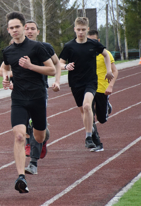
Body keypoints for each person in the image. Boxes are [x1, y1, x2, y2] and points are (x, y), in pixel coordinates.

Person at [1, 12, 56, 193]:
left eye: (18, 26)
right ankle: (21, 177)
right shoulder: (8, 51)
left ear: (24, 27)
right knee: (18, 136)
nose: (15, 30)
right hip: (18, 98)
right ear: (8, 30)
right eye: (11, 28)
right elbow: (6, 68)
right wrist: (6, 78)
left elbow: (51, 69)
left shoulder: (37, 47)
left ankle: (43, 134)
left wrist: (31, 66)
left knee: (39, 137)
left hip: (38, 97)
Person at [59, 17, 114, 149]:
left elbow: (106, 54)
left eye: (83, 30)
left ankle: (88, 136)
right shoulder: (69, 46)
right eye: (78, 30)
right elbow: (59, 63)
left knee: (87, 106)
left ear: (87, 29)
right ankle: (92, 133)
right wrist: (66, 67)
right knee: (84, 112)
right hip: (75, 83)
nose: (81, 32)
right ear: (74, 29)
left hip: (90, 81)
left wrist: (108, 71)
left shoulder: (93, 44)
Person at [23, 20, 61, 175]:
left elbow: (57, 64)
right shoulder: (15, 47)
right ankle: (43, 136)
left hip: (39, 92)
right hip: (20, 93)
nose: (30, 31)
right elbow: (7, 68)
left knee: (33, 126)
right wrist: (9, 80)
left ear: (38, 32)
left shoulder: (44, 47)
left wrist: (57, 81)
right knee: (24, 126)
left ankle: (33, 163)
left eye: (33, 29)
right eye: (27, 29)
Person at [87, 30, 119, 152]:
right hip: (89, 88)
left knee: (102, 119)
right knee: (88, 115)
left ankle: (107, 106)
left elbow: (115, 71)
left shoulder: (106, 54)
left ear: (98, 41)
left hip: (102, 88)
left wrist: (110, 86)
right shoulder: (84, 54)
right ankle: (97, 143)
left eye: (94, 40)